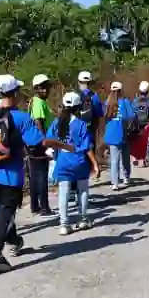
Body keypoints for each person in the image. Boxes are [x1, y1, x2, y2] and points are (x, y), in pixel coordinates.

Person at [0, 75, 73, 274]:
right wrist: (65, 145)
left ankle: (15, 241)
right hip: (13, 176)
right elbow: (40, 142)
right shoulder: (21, 118)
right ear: (15, 93)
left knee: (4, 212)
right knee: (5, 215)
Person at [47, 92, 100, 234]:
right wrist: (94, 164)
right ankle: (83, 219)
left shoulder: (56, 123)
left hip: (63, 161)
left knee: (63, 193)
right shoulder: (81, 124)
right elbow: (86, 146)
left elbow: (48, 141)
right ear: (78, 107)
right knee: (82, 190)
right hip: (79, 161)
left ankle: (64, 224)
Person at [27, 74, 55, 215]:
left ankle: (35, 205)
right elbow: (39, 123)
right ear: (37, 89)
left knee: (35, 175)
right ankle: (44, 207)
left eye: (47, 87)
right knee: (41, 175)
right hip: (40, 143)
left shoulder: (40, 102)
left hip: (37, 143)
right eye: (42, 87)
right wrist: (46, 143)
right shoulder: (38, 102)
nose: (46, 90)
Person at [104, 81, 136, 191]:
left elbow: (103, 118)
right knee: (125, 157)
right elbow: (131, 116)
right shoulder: (125, 102)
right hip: (123, 133)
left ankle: (114, 183)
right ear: (121, 90)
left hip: (111, 134)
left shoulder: (107, 103)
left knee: (114, 160)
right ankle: (126, 178)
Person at [76, 71, 104, 147]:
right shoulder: (95, 97)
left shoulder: (75, 97)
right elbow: (100, 114)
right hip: (90, 131)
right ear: (91, 83)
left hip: (77, 131)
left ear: (78, 82)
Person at [132, 80, 149, 167]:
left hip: (136, 123)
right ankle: (145, 160)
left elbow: (132, 112)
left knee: (135, 141)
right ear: (148, 91)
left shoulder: (135, 101)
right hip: (146, 124)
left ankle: (135, 158)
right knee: (146, 142)